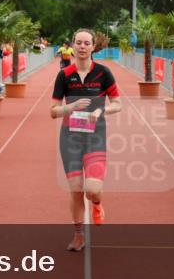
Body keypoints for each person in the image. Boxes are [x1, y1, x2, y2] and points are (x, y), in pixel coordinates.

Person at [50, 28, 121, 251]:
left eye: (86, 43)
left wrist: (101, 111)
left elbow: (118, 103)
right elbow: (53, 111)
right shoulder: (64, 75)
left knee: (92, 190)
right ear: (73, 45)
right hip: (70, 138)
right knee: (76, 189)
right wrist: (70, 107)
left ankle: (97, 203)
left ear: (93, 47)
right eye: (78, 42)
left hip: (95, 137)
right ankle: (79, 235)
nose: (82, 46)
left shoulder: (103, 72)